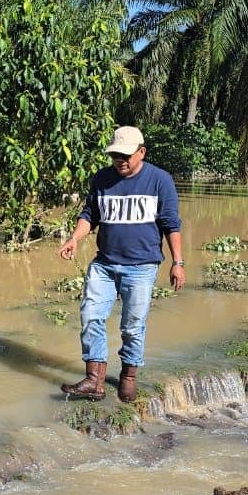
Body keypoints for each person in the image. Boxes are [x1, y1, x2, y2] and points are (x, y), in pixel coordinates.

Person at [57, 125, 184, 403]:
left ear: (142, 152)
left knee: (132, 326)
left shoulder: (160, 180)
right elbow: (91, 213)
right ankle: (95, 380)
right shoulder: (102, 179)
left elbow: (171, 223)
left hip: (142, 267)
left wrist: (178, 262)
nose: (120, 161)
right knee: (91, 315)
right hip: (104, 264)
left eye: (126, 155)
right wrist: (74, 239)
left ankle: (128, 377)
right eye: (115, 155)